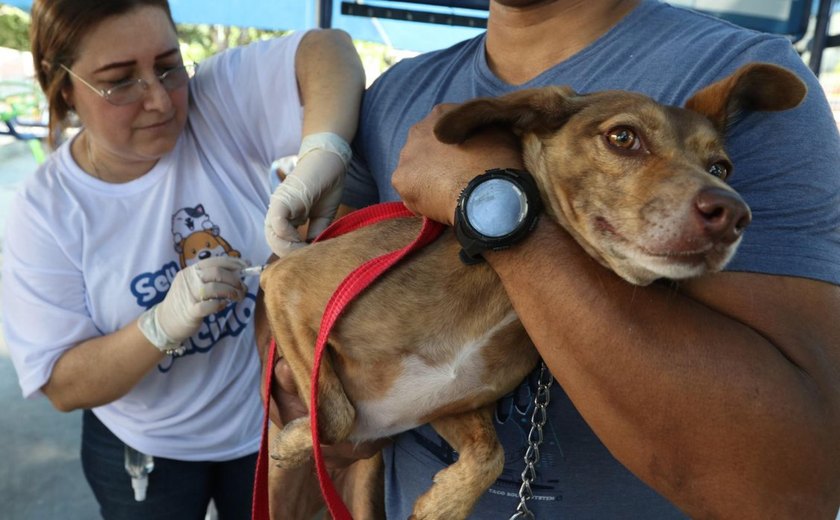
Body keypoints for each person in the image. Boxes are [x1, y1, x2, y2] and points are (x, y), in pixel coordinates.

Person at [268, 0, 840, 518]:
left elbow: (794, 492)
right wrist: (302, 398)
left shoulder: (736, 67)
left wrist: (492, 201)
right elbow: (296, 321)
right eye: (623, 140)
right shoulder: (399, 91)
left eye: (717, 171)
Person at [1, 0, 364, 518]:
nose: (161, 101)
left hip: (264, 426)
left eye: (169, 66)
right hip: (146, 448)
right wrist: (160, 326)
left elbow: (328, 49)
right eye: (120, 81)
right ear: (63, 87)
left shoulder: (214, 102)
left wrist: (323, 154)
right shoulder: (47, 210)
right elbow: (62, 381)